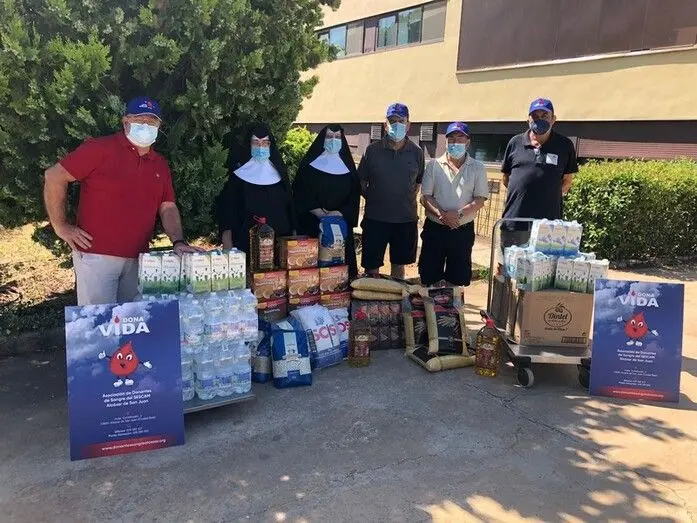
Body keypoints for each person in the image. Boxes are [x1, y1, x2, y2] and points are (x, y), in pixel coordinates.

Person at [43, 96, 200, 306]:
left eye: (152, 122)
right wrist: (60, 226)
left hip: (138, 258)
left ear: (159, 127)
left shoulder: (160, 165)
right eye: (140, 120)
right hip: (96, 256)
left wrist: (178, 241)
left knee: (132, 321)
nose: (146, 125)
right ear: (126, 121)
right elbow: (54, 176)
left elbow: (167, 206)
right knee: (99, 321)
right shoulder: (100, 149)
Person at [500, 98, 579, 255]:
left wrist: (547, 195)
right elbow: (506, 178)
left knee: (543, 267)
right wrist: (524, 193)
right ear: (528, 120)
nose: (539, 119)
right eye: (535, 116)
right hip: (515, 222)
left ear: (553, 119)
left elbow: (567, 181)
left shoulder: (565, 145)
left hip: (548, 226)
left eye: (544, 116)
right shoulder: (515, 142)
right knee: (507, 266)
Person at [357, 103, 425, 279]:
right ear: (385, 125)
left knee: (399, 268)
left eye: (401, 121)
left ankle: (396, 294)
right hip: (375, 219)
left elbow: (417, 184)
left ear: (408, 125)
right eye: (392, 121)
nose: (396, 125)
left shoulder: (417, 152)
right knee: (371, 269)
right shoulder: (372, 151)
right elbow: (361, 182)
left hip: (405, 220)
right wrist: (376, 198)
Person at [419, 122, 489, 287]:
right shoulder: (434, 165)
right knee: (429, 278)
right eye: (451, 139)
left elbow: (480, 199)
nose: (455, 142)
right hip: (435, 229)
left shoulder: (478, 167)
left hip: (462, 231)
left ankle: (454, 304)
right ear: (446, 141)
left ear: (468, 142)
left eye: (459, 138)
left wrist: (458, 214)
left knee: (457, 280)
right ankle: (430, 304)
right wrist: (442, 215)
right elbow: (425, 197)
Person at [293, 124, 361, 278]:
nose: (333, 140)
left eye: (337, 137)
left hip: (339, 224)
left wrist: (339, 212)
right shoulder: (310, 166)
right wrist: (318, 212)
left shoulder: (348, 167)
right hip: (312, 223)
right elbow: (300, 191)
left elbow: (354, 195)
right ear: (322, 139)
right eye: (330, 136)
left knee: (340, 271)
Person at [216, 123, 295, 252]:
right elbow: (228, 213)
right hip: (245, 244)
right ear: (249, 144)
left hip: (278, 243)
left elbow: (289, 207)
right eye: (256, 142)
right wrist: (227, 245)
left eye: (265, 143)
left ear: (270, 145)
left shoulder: (280, 174)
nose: (260, 147)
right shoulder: (238, 175)